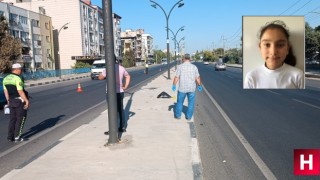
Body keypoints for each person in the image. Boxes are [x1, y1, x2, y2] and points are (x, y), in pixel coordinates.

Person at [244, 20, 304, 89]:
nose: (273, 52)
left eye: (280, 45)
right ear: (260, 48)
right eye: (267, 44)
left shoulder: (298, 76)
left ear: (287, 49)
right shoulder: (251, 77)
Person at [98, 59, 131, 134]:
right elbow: (128, 76)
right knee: (120, 110)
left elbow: (100, 77)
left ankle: (112, 129)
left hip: (110, 93)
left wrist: (102, 74)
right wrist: (125, 86)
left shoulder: (108, 69)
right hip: (120, 92)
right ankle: (122, 127)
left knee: (112, 111)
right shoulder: (121, 68)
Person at [3, 63, 29, 142]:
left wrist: (8, 101)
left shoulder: (6, 78)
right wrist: (26, 101)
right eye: (20, 69)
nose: (21, 71)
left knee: (12, 119)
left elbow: (5, 91)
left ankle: (10, 136)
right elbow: (20, 91)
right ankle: (17, 136)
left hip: (11, 101)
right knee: (21, 118)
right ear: (17, 69)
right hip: (19, 101)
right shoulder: (17, 78)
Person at [172, 53, 202, 120]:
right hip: (191, 88)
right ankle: (188, 117)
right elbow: (197, 78)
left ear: (184, 59)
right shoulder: (194, 67)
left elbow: (176, 77)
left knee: (179, 102)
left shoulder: (180, 67)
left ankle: (178, 116)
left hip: (182, 88)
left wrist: (174, 85)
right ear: (190, 59)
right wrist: (199, 85)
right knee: (191, 103)